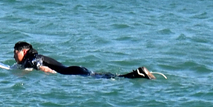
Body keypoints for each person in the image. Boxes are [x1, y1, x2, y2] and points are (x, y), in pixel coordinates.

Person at [12, 42, 157, 79]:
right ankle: (137, 73)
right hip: (74, 70)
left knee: (106, 78)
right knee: (105, 77)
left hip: (71, 73)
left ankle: (137, 74)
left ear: (24, 51)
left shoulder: (32, 58)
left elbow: (41, 67)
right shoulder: (34, 57)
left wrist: (51, 74)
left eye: (15, 52)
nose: (13, 55)